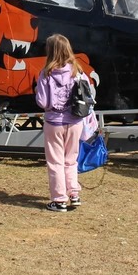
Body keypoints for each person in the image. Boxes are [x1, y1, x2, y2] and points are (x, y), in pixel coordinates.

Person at [35, 34, 90, 211]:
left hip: (54, 122)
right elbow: (89, 95)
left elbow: (43, 102)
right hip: (75, 121)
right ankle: (74, 193)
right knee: (71, 160)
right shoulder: (78, 71)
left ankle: (59, 199)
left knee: (55, 162)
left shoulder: (46, 73)